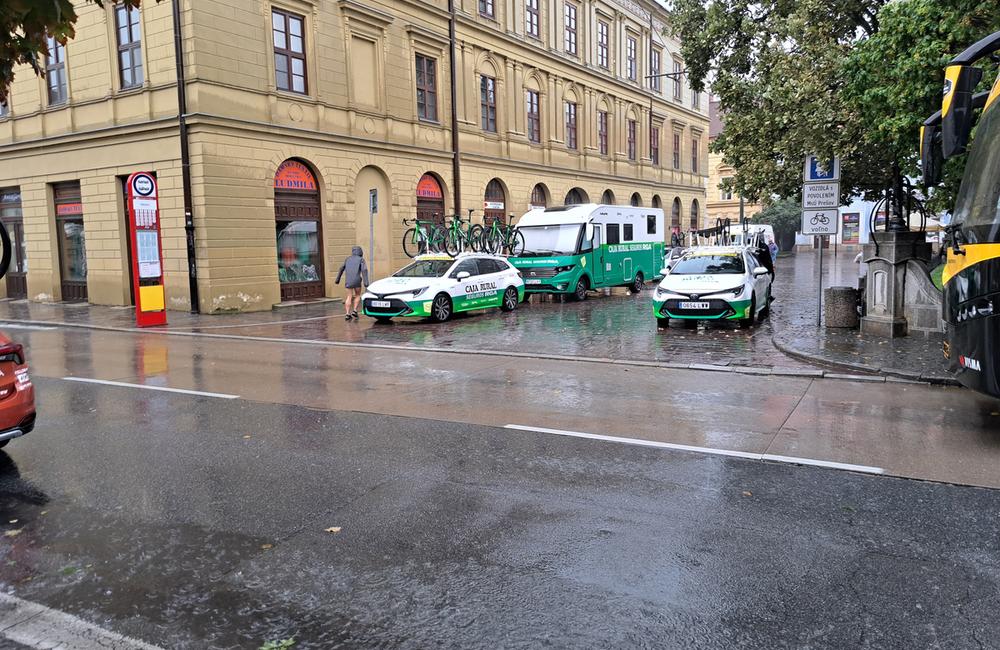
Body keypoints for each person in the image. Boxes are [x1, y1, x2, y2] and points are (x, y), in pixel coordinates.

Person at [336, 246, 369, 321]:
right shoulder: (361, 259)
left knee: (349, 296)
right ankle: (354, 310)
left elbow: (341, 268)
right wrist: (366, 283)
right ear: (360, 252)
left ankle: (347, 314)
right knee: (357, 295)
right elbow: (364, 270)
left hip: (348, 280)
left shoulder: (347, 259)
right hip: (357, 280)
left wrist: (337, 280)